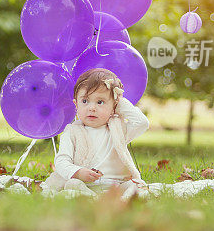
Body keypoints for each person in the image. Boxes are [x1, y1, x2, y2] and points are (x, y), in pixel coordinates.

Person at [40, 67, 150, 198]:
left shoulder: (118, 129)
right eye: (85, 101)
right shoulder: (72, 131)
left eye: (100, 102)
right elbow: (61, 161)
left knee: (137, 185)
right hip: (85, 184)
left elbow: (142, 123)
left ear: (114, 105)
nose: (91, 108)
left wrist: (118, 101)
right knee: (72, 184)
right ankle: (93, 198)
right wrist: (78, 172)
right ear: (76, 104)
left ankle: (119, 200)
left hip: (116, 186)